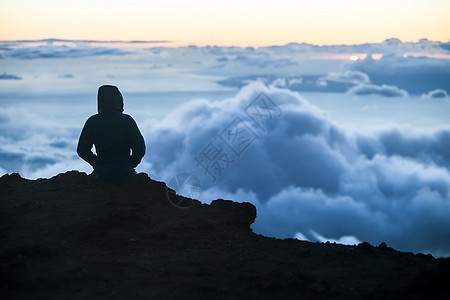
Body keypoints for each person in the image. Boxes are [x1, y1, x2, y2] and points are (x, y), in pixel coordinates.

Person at [77, 85, 145, 185]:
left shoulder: (92, 121)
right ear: (119, 100)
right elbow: (140, 149)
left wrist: (97, 163)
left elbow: (82, 150)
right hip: (126, 174)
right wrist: (130, 164)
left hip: (101, 174)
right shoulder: (127, 121)